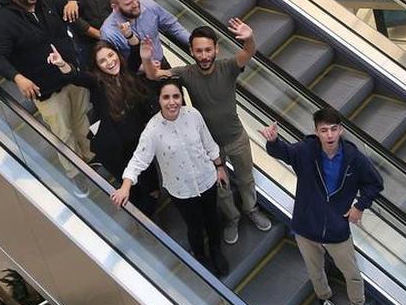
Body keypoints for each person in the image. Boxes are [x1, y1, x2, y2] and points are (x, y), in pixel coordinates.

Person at [260, 107, 383, 305]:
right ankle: (324, 298)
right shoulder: (306, 150)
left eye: (333, 129)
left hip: (337, 229)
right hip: (306, 226)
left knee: (352, 273)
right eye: (324, 130)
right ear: (316, 132)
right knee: (315, 270)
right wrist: (274, 141)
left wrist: (360, 206)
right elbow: (285, 153)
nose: (329, 135)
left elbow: (375, 183)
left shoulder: (353, 158)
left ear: (341, 131)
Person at [150, 21, 272, 241]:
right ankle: (232, 218)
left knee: (246, 179)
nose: (204, 55)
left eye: (208, 50)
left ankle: (251, 209)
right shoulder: (186, 73)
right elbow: (154, 75)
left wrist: (250, 38)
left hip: (236, 138)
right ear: (192, 51)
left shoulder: (228, 67)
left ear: (216, 49)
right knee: (221, 186)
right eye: (199, 51)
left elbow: (249, 52)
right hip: (208, 145)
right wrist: (147, 58)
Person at [112, 79, 230, 277]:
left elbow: (208, 143)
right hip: (181, 189)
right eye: (166, 97)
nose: (172, 102)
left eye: (176, 96)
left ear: (182, 97)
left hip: (206, 179)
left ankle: (216, 251)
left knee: (212, 217)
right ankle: (200, 256)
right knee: (195, 225)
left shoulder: (193, 115)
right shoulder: (152, 130)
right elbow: (138, 160)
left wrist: (219, 167)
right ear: (159, 100)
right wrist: (125, 186)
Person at [0, 0, 91, 162]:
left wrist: (73, 1)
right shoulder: (5, 21)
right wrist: (18, 78)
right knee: (64, 134)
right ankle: (77, 173)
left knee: (82, 122)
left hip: (72, 75)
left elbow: (73, 1)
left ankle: (91, 157)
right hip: (47, 89)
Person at [76, 38, 160, 212]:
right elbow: (77, 77)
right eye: (102, 61)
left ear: (117, 54)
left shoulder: (126, 72)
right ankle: (144, 213)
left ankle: (152, 196)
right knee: (132, 187)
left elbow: (136, 51)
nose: (109, 62)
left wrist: (130, 36)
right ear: (97, 67)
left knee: (148, 178)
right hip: (113, 148)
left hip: (135, 139)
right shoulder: (98, 84)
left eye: (111, 55)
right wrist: (63, 65)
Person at [100, 0, 191, 66]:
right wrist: (146, 68)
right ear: (115, 7)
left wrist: (193, 42)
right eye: (128, 4)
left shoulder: (149, 5)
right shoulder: (108, 32)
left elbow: (172, 26)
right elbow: (118, 64)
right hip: (139, 76)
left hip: (162, 62)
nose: (135, 4)